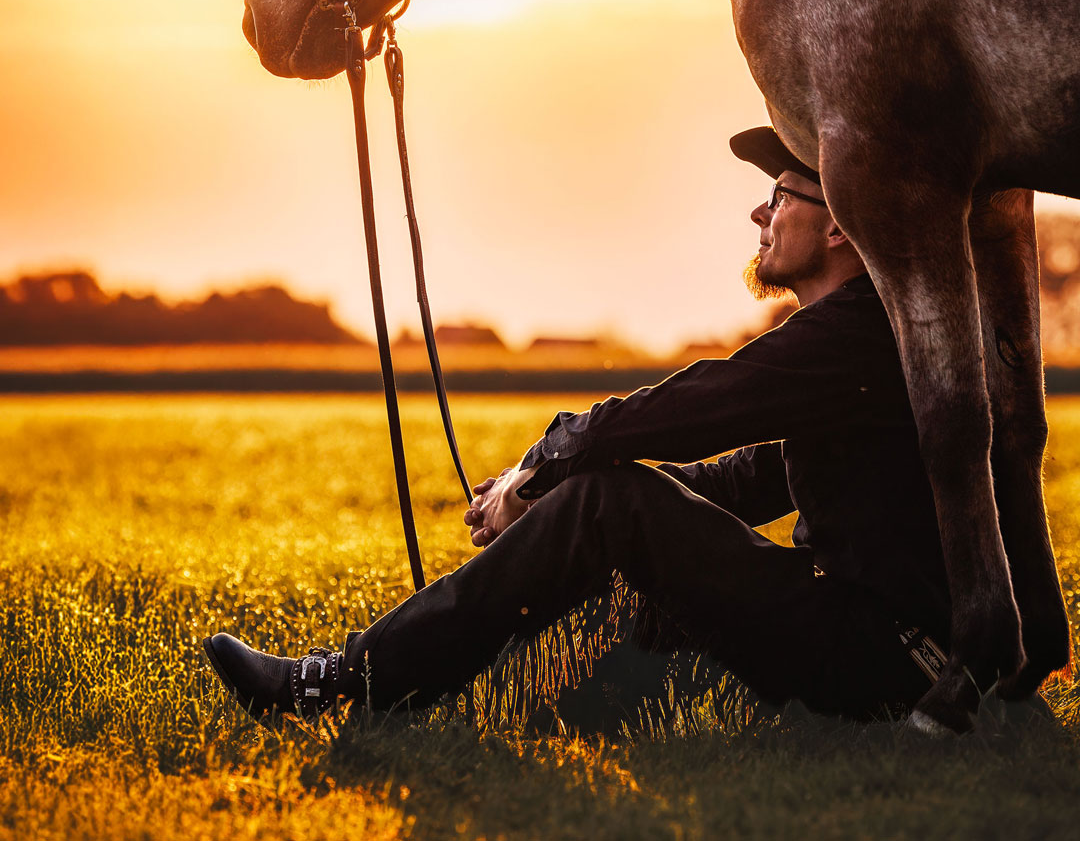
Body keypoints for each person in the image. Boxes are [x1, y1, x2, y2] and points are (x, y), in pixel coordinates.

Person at [204, 126, 954, 729]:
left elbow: (696, 408)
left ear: (840, 230)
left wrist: (553, 461)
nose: (760, 214)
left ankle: (335, 685)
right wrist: (553, 494)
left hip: (883, 654)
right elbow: (740, 479)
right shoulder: (856, 340)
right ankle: (529, 705)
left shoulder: (853, 336)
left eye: (780, 195)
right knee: (614, 514)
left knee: (610, 505)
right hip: (878, 640)